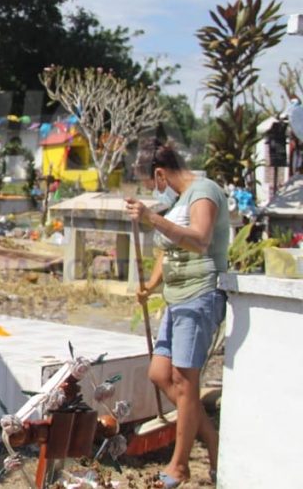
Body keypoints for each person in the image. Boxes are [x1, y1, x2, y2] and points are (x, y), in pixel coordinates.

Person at [125, 139, 229, 487]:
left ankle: (180, 466)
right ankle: (214, 441)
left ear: (160, 174)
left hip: (200, 297)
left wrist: (151, 217)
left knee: (185, 382)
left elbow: (199, 239)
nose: (153, 191)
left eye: (150, 183)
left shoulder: (204, 192)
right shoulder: (179, 202)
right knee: (159, 373)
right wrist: (150, 287)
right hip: (176, 300)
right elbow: (165, 253)